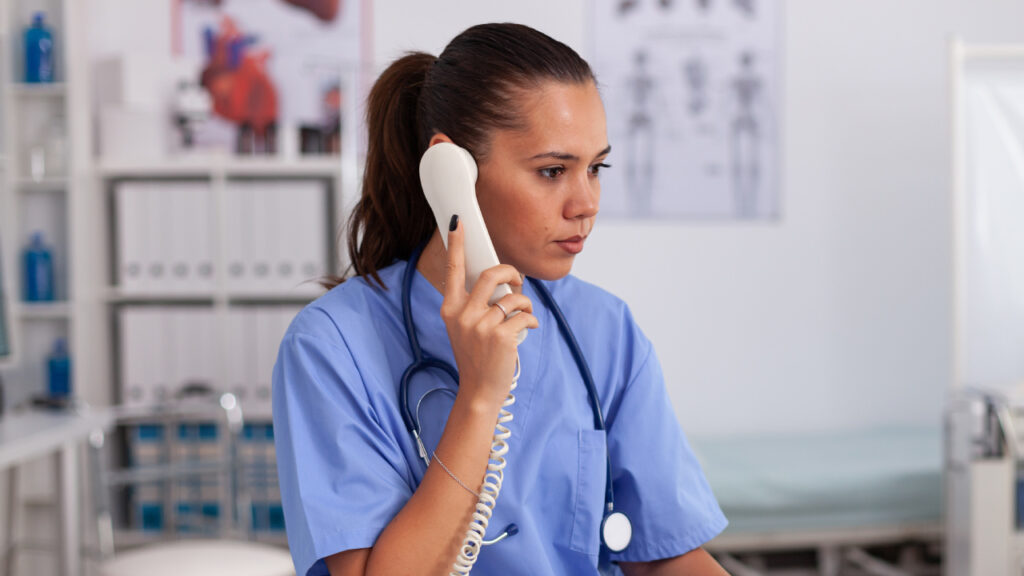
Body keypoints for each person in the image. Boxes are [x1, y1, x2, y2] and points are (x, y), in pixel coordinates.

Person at [272, 23, 729, 576]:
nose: (586, 203)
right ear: (452, 171)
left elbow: (666, 561)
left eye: (596, 168)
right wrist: (481, 400)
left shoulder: (605, 330)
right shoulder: (331, 346)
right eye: (553, 171)